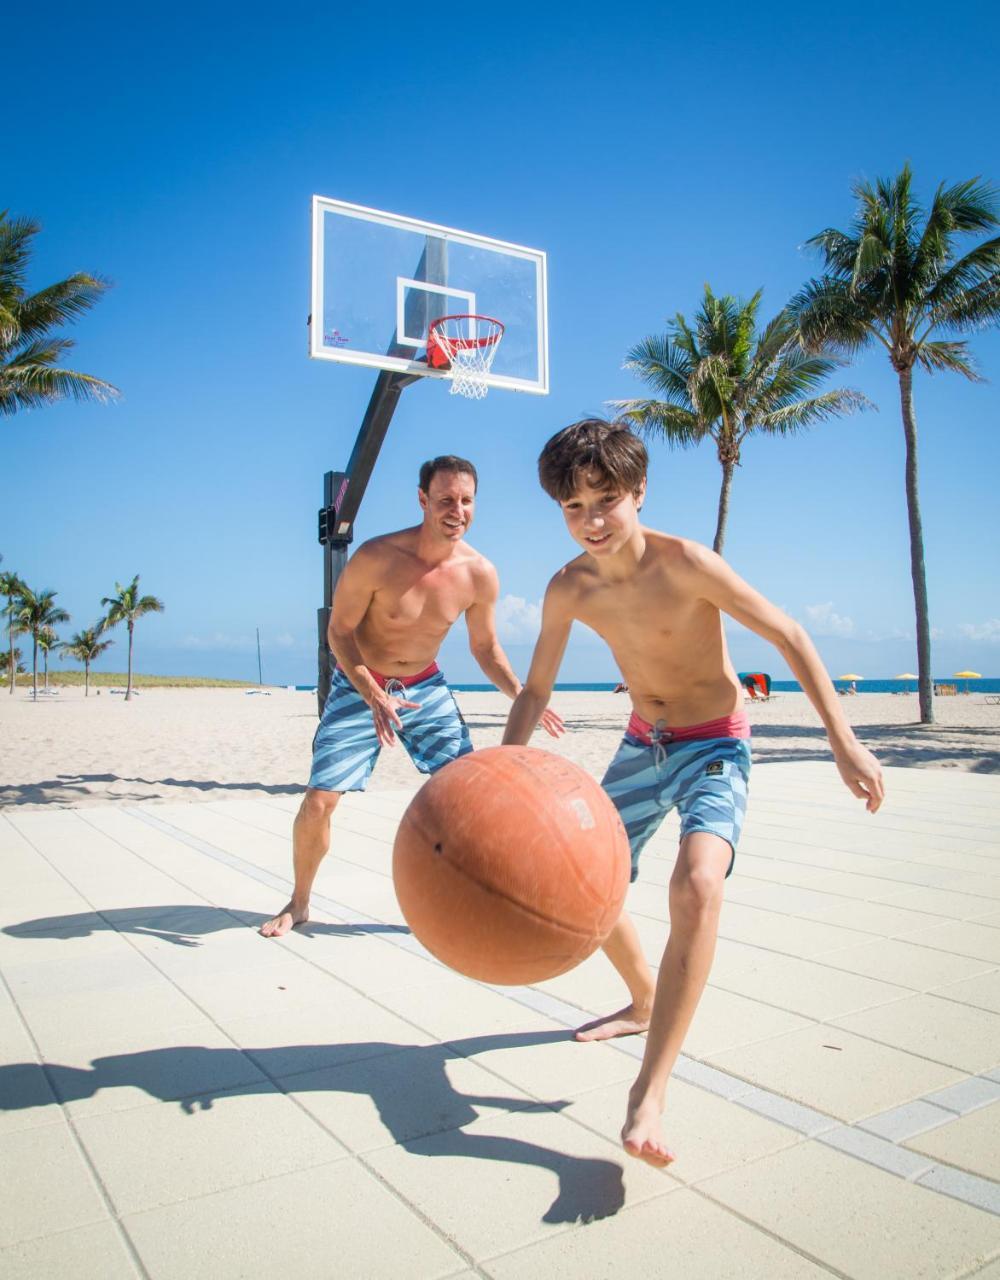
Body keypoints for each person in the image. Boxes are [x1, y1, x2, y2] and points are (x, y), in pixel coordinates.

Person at [502, 419, 883, 1168]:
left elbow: (791, 636)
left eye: (606, 499)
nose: (593, 521)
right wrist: (502, 774)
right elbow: (536, 687)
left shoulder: (689, 565)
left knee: (699, 882)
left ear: (638, 492)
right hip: (645, 744)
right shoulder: (568, 587)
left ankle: (651, 1090)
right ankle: (643, 998)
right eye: (574, 508)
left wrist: (843, 738)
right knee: (590, 886)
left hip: (715, 743)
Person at [261, 455, 563, 938]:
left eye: (466, 501)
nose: (457, 510)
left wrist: (523, 694)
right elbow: (339, 633)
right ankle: (299, 903)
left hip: (425, 687)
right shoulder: (377, 558)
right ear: (423, 500)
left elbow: (485, 648)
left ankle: (471, 898)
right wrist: (372, 692)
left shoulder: (480, 573)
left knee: (468, 798)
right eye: (445, 499)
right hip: (360, 683)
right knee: (319, 801)